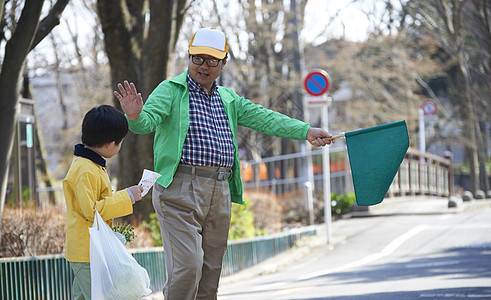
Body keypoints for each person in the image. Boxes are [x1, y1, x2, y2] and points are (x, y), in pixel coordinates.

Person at [114, 27, 334, 300]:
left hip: (219, 190)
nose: (203, 66)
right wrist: (134, 116)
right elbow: (145, 123)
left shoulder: (228, 99)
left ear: (224, 62)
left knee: (211, 273)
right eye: (197, 58)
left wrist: (306, 131)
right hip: (179, 190)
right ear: (189, 57)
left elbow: (265, 118)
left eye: (212, 60)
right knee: (188, 268)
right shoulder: (171, 90)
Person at [63, 105, 143, 300]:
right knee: (98, 296)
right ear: (110, 144)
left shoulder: (91, 165)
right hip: (87, 252)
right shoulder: (86, 169)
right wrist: (128, 196)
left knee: (83, 296)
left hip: (89, 250)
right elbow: (91, 211)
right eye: (121, 141)